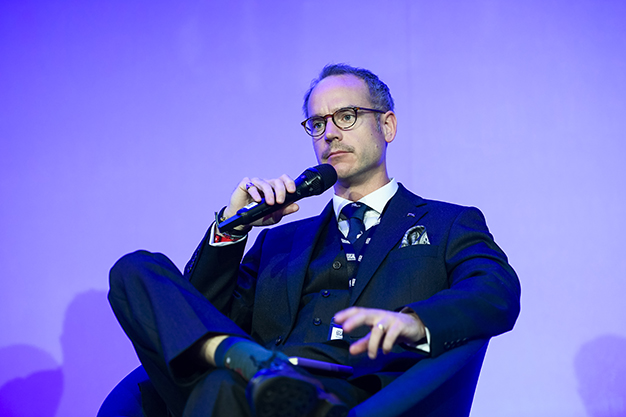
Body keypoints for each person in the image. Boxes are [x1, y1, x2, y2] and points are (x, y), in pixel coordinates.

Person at [108, 64, 521, 417]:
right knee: (135, 269)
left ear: (387, 125)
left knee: (219, 389)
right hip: (251, 385)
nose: (330, 134)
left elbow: (496, 291)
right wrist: (233, 227)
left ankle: (256, 370)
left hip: (354, 392)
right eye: (318, 124)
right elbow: (199, 314)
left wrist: (414, 322)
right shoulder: (278, 242)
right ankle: (252, 363)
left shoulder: (448, 223)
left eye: (347, 116)